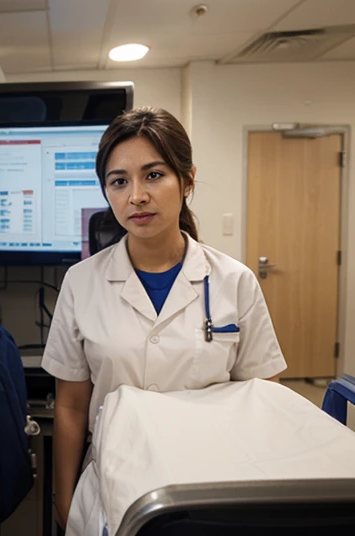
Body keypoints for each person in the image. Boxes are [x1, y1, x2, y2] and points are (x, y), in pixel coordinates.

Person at [41, 107, 287, 535]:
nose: (136, 195)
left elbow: (265, 400)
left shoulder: (234, 281)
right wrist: (64, 503)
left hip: (213, 487)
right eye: (119, 181)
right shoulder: (81, 283)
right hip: (111, 489)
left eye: (153, 175)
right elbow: (71, 405)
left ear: (187, 180)